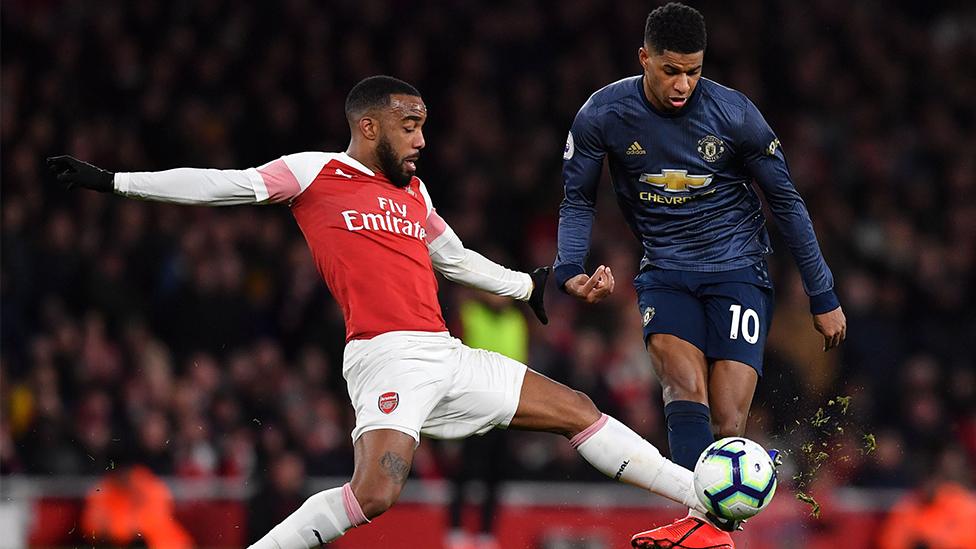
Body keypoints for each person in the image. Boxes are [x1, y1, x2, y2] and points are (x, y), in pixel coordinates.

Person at [48, 75, 729, 548]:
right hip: (385, 353)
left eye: (425, 128)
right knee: (375, 494)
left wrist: (530, 286)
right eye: (410, 127)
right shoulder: (315, 174)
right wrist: (113, 181)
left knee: (577, 406)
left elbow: (454, 256)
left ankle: (701, 497)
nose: (422, 140)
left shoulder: (414, 192)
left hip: (445, 352)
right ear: (368, 125)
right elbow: (223, 187)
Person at [555, 3, 846, 546]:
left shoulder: (734, 115)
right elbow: (576, 198)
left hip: (738, 273)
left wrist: (822, 292)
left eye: (694, 69)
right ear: (644, 58)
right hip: (665, 273)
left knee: (727, 421)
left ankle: (705, 529)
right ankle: (702, 532)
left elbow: (786, 203)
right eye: (671, 70)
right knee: (681, 386)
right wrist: (569, 267)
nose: (684, 83)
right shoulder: (604, 114)